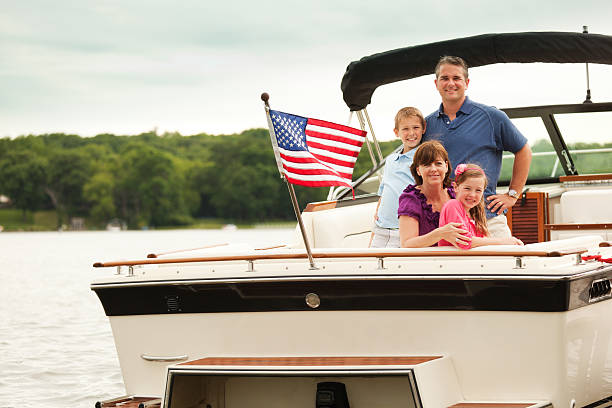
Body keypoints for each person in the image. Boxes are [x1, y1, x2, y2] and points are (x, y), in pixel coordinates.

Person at [424, 56, 532, 238]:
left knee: (503, 265)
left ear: (466, 83)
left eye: (456, 78)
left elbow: (524, 150)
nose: (451, 83)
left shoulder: (492, 117)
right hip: (444, 221)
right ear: (436, 83)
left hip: (487, 219)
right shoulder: (427, 124)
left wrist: (513, 194)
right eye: (445, 78)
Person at [370, 107, 425, 248]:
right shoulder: (391, 159)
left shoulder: (423, 159)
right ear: (396, 132)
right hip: (381, 227)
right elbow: (384, 190)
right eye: (405, 129)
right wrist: (378, 213)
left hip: (405, 229)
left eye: (416, 127)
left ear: (423, 129)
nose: (411, 133)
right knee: (370, 264)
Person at [398, 140, 470, 248]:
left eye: (438, 163)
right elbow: (407, 244)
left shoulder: (457, 192)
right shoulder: (411, 199)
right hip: (426, 261)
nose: (433, 169)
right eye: (427, 165)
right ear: (418, 170)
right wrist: (440, 234)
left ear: (446, 166)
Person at [438, 163, 524, 249]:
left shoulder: (474, 216)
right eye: (467, 188)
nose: (472, 194)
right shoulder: (452, 205)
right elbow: (464, 242)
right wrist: (504, 241)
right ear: (455, 187)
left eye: (478, 190)